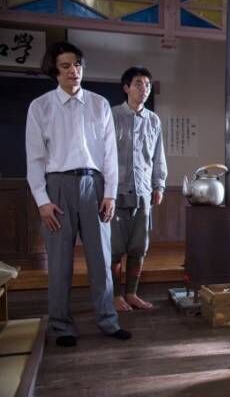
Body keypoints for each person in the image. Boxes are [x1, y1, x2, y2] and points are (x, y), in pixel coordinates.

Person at [26, 41, 131, 347]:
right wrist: (42, 201)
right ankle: (61, 326)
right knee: (60, 263)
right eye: (66, 66)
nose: (74, 70)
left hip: (94, 186)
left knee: (101, 258)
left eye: (77, 64)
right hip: (57, 187)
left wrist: (110, 194)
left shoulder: (99, 104)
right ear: (55, 71)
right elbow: (34, 158)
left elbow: (110, 154)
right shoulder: (40, 106)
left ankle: (108, 320)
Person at [110, 67, 167, 311]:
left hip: (143, 191)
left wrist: (159, 184)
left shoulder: (154, 120)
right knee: (114, 249)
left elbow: (158, 156)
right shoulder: (111, 115)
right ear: (126, 88)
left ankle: (132, 293)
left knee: (139, 247)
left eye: (147, 84)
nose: (144, 88)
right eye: (138, 83)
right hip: (114, 192)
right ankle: (115, 296)